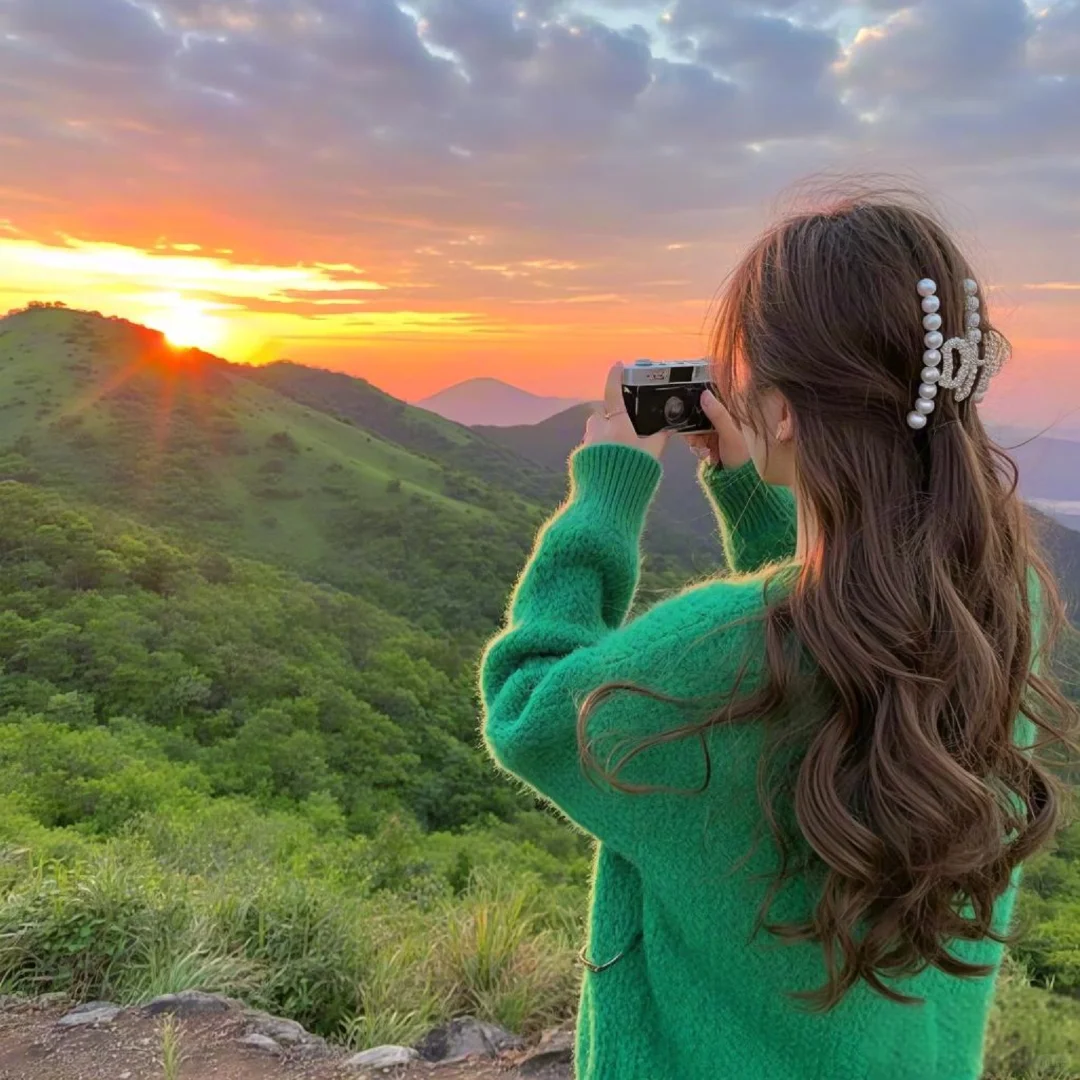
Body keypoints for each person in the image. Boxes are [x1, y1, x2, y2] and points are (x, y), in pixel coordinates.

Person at [479, 192, 1077, 1080]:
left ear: (786, 409)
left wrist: (606, 489)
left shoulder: (713, 654)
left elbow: (528, 705)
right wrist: (755, 500)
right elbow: (833, 649)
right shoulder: (993, 607)